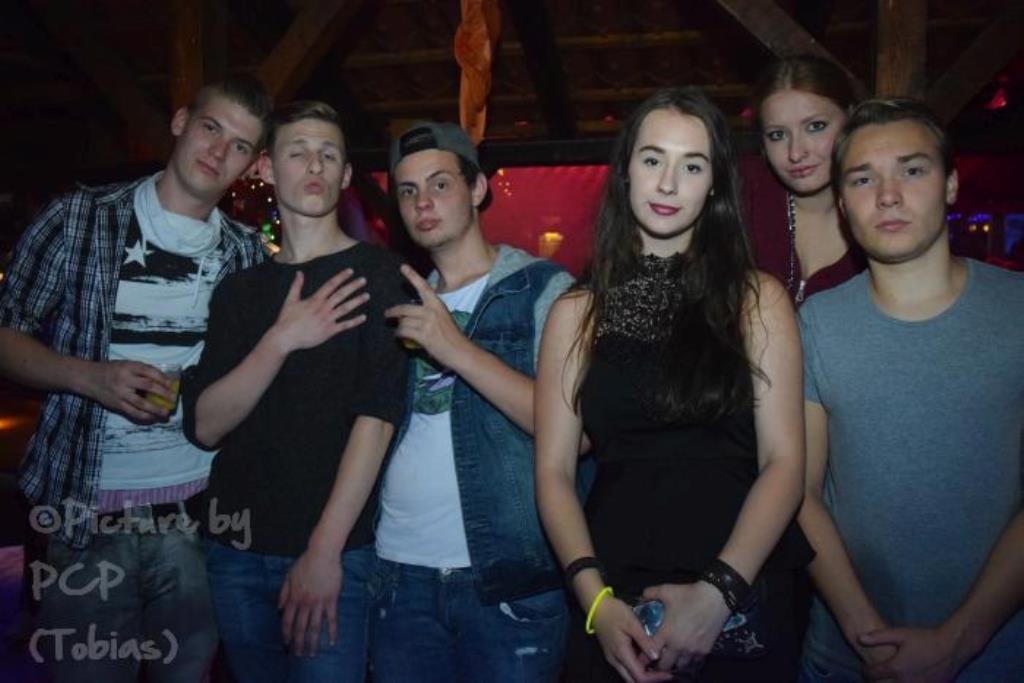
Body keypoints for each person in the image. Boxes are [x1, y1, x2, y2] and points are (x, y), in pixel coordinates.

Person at [535, 86, 813, 683]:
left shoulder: (757, 299)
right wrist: (595, 604)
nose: (667, 183)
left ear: (714, 185)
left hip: (741, 587)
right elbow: (553, 473)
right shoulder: (575, 312)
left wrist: (719, 594)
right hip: (614, 592)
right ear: (625, 172)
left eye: (691, 166)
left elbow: (785, 463)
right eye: (652, 159)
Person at [0, 77, 271, 682]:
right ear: (180, 122)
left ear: (251, 164)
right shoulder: (79, 220)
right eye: (211, 128)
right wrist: (89, 378)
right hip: (84, 520)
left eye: (238, 145)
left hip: (199, 524)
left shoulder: (247, 255)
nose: (218, 151)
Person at [797, 98, 1024, 682]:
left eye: (913, 170)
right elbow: (799, 492)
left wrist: (959, 640)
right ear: (842, 203)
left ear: (950, 184)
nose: (888, 195)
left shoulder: (1019, 310)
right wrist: (868, 639)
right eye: (862, 179)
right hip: (844, 660)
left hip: (999, 659)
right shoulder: (815, 323)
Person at [181, 100, 406, 682]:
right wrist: (281, 339)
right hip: (233, 548)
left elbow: (377, 419)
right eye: (298, 152)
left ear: (346, 174)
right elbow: (205, 425)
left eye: (329, 155)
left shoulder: (379, 276)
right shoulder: (240, 290)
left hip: (336, 553)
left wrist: (324, 551)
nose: (314, 165)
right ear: (265, 168)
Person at [370, 121, 574, 683]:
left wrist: (456, 349)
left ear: (478, 188)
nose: (422, 202)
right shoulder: (399, 299)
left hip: (506, 582)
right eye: (408, 190)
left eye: (439, 184)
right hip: (397, 573)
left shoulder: (543, 289)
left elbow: (574, 435)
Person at [748, 55, 865, 304]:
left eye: (815, 127)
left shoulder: (882, 206)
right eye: (777, 135)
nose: (796, 153)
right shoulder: (742, 191)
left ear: (851, 119)